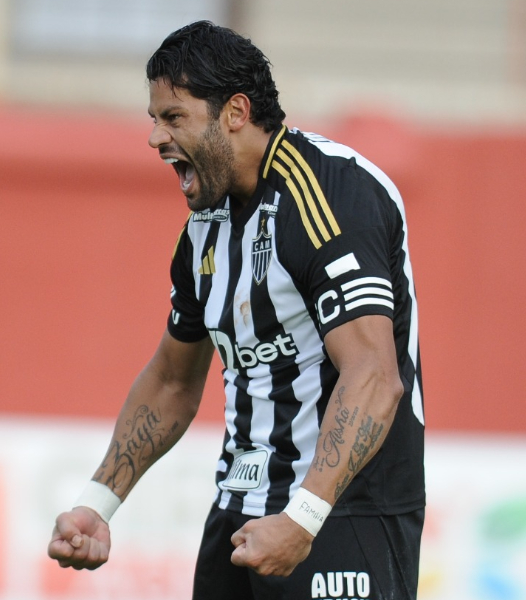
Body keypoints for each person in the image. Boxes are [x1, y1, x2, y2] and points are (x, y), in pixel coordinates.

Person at [48, 20, 425, 599]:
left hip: (342, 517)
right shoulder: (205, 228)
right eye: (153, 119)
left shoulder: (332, 194)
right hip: (240, 516)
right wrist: (98, 503)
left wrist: (303, 517)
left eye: (173, 117)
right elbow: (173, 381)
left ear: (235, 112)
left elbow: (374, 375)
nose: (154, 137)